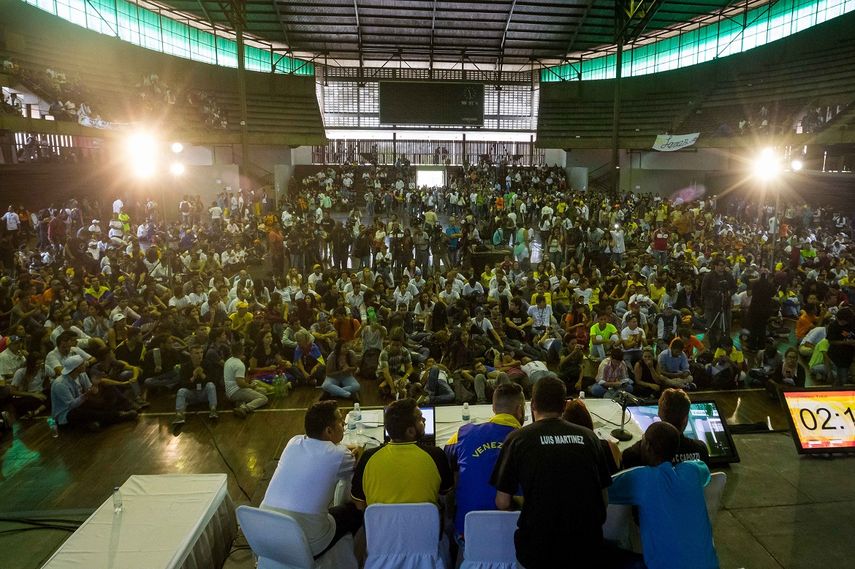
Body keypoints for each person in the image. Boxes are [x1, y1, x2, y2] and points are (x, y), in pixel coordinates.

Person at [491, 376, 618, 569]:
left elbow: (502, 502)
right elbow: (604, 499)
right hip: (586, 548)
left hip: (537, 550)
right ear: (565, 405)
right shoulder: (590, 438)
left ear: (533, 404)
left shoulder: (517, 439)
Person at [609, 421, 720, 569]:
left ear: (647, 446)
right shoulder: (692, 471)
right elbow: (704, 470)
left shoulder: (642, 479)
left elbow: (603, 489)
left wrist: (615, 457)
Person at [261, 400, 363, 558]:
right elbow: (346, 487)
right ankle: (348, 558)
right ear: (329, 430)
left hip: (265, 536)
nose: (343, 423)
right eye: (340, 421)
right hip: (308, 543)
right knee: (355, 511)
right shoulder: (341, 455)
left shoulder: (293, 442)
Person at [445, 383, 525, 540]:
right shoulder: (528, 441)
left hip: (468, 535)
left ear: (494, 409)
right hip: (513, 537)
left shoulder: (462, 433)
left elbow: (447, 461)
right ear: (520, 410)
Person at [351, 398, 453, 507]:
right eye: (420, 419)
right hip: (423, 523)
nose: (424, 420)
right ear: (410, 431)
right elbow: (446, 493)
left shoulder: (368, 457)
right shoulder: (436, 456)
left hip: (381, 524)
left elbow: (359, 502)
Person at [620, 388, 710, 468]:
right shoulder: (701, 449)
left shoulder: (639, 453)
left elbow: (625, 460)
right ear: (685, 419)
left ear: (659, 414)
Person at [50, 355, 137, 430]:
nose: (85, 364)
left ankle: (97, 421)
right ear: (76, 368)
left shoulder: (82, 375)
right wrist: (87, 394)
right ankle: (117, 415)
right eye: (82, 364)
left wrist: (96, 386)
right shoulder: (60, 384)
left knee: (107, 391)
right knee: (80, 412)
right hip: (66, 414)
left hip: (82, 402)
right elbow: (72, 405)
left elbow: (91, 390)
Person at [171, 344, 218, 431]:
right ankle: (180, 415)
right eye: (196, 353)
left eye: (201, 352)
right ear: (191, 355)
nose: (200, 355)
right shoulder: (185, 367)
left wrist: (202, 374)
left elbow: (214, 381)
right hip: (192, 394)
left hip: (204, 394)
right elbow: (183, 384)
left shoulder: (207, 364)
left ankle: (213, 410)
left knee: (211, 385)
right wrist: (193, 377)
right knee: (181, 391)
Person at [223, 341, 268, 417]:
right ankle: (244, 408)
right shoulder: (239, 364)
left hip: (229, 391)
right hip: (236, 391)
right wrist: (251, 386)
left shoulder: (229, 360)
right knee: (263, 398)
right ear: (242, 351)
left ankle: (240, 403)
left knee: (263, 391)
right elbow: (240, 384)